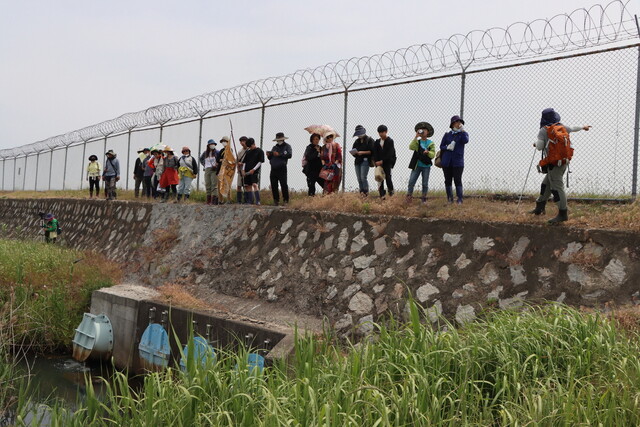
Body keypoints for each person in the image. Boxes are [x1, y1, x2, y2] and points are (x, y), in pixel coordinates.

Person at [530, 108, 591, 224]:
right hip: (563, 162)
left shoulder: (543, 130)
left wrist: (535, 143)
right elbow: (573, 128)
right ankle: (539, 207)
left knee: (557, 188)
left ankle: (563, 213)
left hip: (554, 163)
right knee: (546, 184)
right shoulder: (562, 127)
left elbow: (539, 147)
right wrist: (583, 127)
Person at [439, 115, 470, 204]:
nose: (459, 124)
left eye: (460, 122)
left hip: (458, 162)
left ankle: (459, 199)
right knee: (447, 180)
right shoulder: (447, 135)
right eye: (457, 122)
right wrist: (447, 147)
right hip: (447, 161)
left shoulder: (463, 134)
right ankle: (450, 198)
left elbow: (466, 141)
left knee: (457, 179)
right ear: (452, 124)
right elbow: (441, 146)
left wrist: (463, 130)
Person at [407, 122, 436, 204]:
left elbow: (432, 154)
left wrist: (428, 152)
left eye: (425, 130)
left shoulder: (430, 143)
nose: (423, 131)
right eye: (421, 130)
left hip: (426, 166)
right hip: (417, 165)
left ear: (428, 132)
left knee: (425, 183)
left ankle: (424, 198)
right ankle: (409, 197)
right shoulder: (417, 142)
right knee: (411, 181)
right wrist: (416, 137)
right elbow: (411, 147)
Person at [267, 132, 293, 206]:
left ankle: (286, 200)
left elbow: (289, 155)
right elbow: (270, 158)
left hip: (282, 168)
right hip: (273, 168)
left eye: (280, 139)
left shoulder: (287, 146)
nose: (279, 141)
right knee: (274, 185)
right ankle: (276, 200)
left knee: (283, 184)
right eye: (278, 140)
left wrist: (280, 154)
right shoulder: (274, 147)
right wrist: (269, 155)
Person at [373, 125, 397, 199]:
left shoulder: (390, 141)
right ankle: (382, 195)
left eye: (382, 132)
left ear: (386, 132)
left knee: (388, 177)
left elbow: (390, 153)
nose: (381, 134)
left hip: (387, 162)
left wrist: (382, 161)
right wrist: (376, 161)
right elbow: (375, 152)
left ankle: (391, 194)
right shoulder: (377, 142)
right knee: (379, 178)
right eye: (379, 132)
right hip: (378, 163)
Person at [351, 125, 374, 196]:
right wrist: (354, 153)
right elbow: (353, 150)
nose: (359, 135)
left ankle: (366, 192)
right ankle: (361, 193)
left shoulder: (370, 140)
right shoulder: (356, 141)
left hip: (365, 160)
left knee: (363, 177)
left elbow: (371, 151)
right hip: (357, 161)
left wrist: (362, 152)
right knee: (359, 178)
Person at [242, 138, 265, 205]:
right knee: (247, 186)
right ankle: (250, 201)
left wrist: (254, 169)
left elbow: (260, 162)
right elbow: (244, 162)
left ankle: (258, 200)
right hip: (247, 171)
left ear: (253, 144)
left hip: (254, 171)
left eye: (250, 146)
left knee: (254, 184)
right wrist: (243, 170)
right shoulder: (248, 152)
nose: (250, 148)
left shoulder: (260, 151)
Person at [200, 139, 220, 205]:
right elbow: (201, 159)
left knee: (214, 184)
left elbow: (220, 160)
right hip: (207, 169)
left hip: (214, 169)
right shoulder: (205, 153)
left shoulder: (217, 152)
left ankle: (214, 200)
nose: (212, 145)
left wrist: (217, 165)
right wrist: (204, 164)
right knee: (208, 184)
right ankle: (208, 200)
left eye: (213, 144)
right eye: (211, 144)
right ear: (208, 145)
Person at [235, 136, 248, 204]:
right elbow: (236, 161)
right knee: (239, 186)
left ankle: (246, 200)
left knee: (246, 186)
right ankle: (239, 200)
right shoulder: (240, 151)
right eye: (241, 141)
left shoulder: (249, 150)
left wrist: (242, 164)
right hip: (240, 171)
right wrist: (238, 166)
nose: (242, 143)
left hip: (247, 170)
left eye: (244, 141)